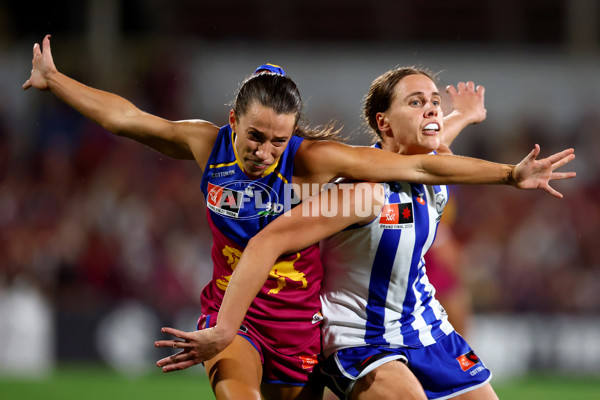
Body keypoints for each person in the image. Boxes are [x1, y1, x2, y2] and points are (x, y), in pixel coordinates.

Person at [23, 35, 568, 400]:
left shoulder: (314, 161)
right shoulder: (206, 145)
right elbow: (127, 118)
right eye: (253, 136)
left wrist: (488, 150)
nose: (263, 152)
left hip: (300, 321)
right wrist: (56, 80)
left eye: (277, 141)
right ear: (232, 120)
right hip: (246, 313)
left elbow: (419, 161)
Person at [155, 66, 576, 400]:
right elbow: (268, 240)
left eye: (434, 101)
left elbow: (426, 157)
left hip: (423, 327)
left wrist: (463, 115)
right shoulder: (361, 194)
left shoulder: (438, 164)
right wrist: (226, 328)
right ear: (384, 123)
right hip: (360, 338)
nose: (432, 110)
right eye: (416, 103)